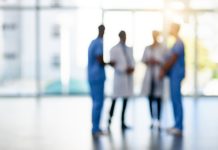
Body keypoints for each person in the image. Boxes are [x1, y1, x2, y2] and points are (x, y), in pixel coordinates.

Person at [160, 23, 185, 136]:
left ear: (175, 29)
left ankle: (179, 126)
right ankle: (176, 125)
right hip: (173, 75)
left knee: (176, 100)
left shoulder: (179, 43)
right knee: (174, 100)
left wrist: (163, 70)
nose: (169, 30)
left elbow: (172, 60)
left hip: (176, 75)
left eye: (170, 28)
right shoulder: (175, 43)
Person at [108, 30, 135, 130]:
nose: (124, 37)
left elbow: (132, 61)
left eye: (125, 35)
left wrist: (132, 68)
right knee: (115, 99)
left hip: (127, 78)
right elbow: (113, 63)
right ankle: (109, 121)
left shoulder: (129, 49)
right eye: (123, 36)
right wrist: (123, 69)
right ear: (119, 36)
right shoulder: (114, 49)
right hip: (119, 77)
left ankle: (123, 122)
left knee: (125, 100)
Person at [141, 31, 167, 130]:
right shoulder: (148, 48)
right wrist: (149, 61)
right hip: (149, 76)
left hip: (158, 75)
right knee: (150, 99)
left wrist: (158, 61)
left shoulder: (163, 48)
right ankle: (152, 120)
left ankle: (159, 121)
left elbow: (165, 60)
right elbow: (143, 60)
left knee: (159, 98)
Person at [88, 24, 108, 137]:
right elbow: (99, 58)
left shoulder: (92, 42)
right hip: (97, 77)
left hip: (92, 76)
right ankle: (95, 128)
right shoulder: (99, 43)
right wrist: (109, 63)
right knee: (98, 102)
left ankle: (95, 127)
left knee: (96, 102)